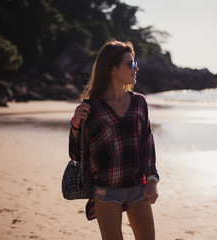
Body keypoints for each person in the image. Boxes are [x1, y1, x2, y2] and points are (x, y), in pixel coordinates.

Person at [69, 39, 159, 240]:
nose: (136, 68)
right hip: (106, 192)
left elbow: (147, 143)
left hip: (138, 188)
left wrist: (152, 179)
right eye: (130, 64)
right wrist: (75, 124)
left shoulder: (139, 102)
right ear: (112, 68)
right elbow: (76, 154)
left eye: (135, 63)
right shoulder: (92, 108)